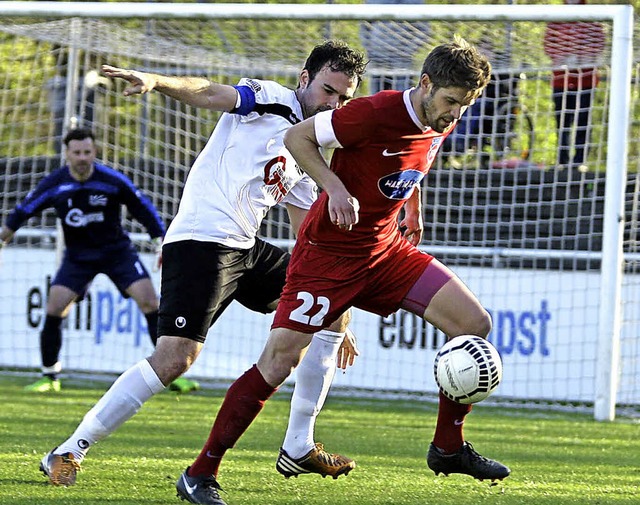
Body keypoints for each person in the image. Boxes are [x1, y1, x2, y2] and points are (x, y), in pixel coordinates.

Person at [38, 41, 367, 505]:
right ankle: (69, 450)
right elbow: (211, 92)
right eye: (328, 91)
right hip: (202, 241)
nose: (334, 105)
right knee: (175, 360)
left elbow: (304, 230)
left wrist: (327, 307)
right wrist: (156, 81)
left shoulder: (306, 149)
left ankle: (299, 444)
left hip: (245, 249)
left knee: (334, 305)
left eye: (344, 99)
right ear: (303, 79)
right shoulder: (271, 97)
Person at [266, 36, 510, 485]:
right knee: (278, 358)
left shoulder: (443, 116)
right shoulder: (376, 111)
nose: (456, 113)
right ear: (425, 84)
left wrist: (412, 204)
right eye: (451, 101)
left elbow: (412, 159)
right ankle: (209, 467)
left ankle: (448, 448)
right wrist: (335, 190)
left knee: (475, 325)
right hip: (329, 248)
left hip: (385, 249)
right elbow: (298, 137)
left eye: (465, 105)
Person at [0, 128, 199, 395]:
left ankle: (171, 372)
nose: (83, 157)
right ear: (67, 154)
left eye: (87, 152)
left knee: (151, 302)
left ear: (94, 152)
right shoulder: (55, 183)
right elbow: (24, 210)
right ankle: (50, 375)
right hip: (78, 257)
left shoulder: (111, 180)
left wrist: (158, 239)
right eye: (77, 152)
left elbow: (142, 207)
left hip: (117, 252)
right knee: (55, 306)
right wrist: (4, 237)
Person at [543, 0, 605, 170]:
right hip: (561, 80)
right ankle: (562, 160)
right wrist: (563, 57)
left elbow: (598, 43)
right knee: (562, 120)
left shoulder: (591, 18)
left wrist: (581, 58)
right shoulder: (557, 19)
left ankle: (579, 160)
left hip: (585, 79)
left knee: (583, 120)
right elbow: (549, 44)